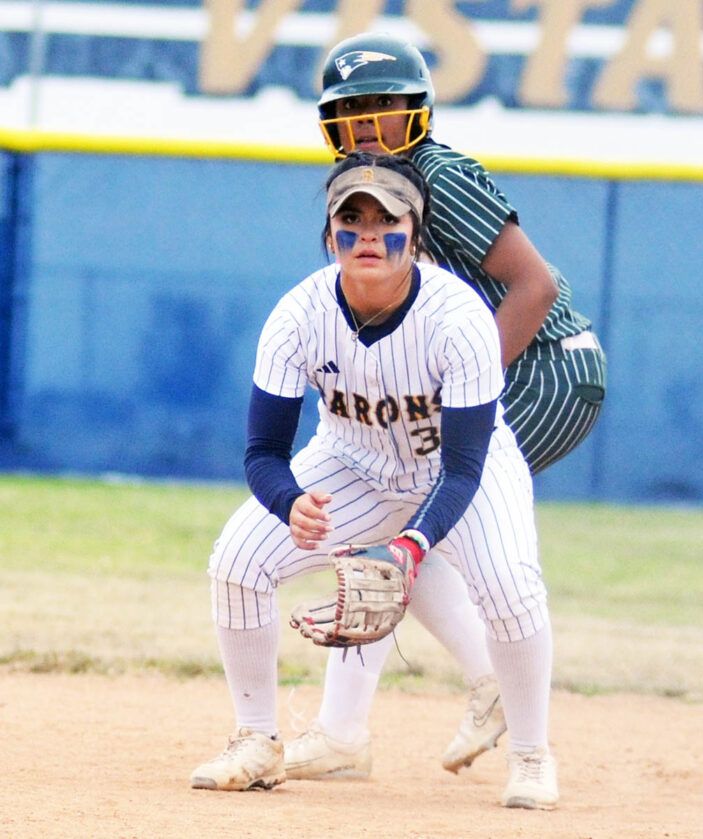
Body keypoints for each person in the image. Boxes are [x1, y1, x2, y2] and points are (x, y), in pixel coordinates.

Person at [283, 32, 606, 797]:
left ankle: (423, 705)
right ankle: (360, 724)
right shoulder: (354, 181)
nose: (367, 128)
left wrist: (454, 391)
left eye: (383, 110)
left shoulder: (438, 175)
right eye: (350, 113)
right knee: (401, 511)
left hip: (549, 366)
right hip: (509, 363)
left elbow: (534, 288)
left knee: (413, 498)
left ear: (418, 113)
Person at [190, 151, 558, 809]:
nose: (368, 233)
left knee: (510, 584)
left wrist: (410, 546)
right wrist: (291, 500)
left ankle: (532, 754)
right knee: (238, 560)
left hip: (461, 468)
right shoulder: (298, 316)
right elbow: (263, 453)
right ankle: (255, 739)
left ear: (415, 235)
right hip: (352, 462)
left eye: (387, 218)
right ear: (329, 235)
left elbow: (466, 466)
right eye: (350, 218)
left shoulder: (458, 317)